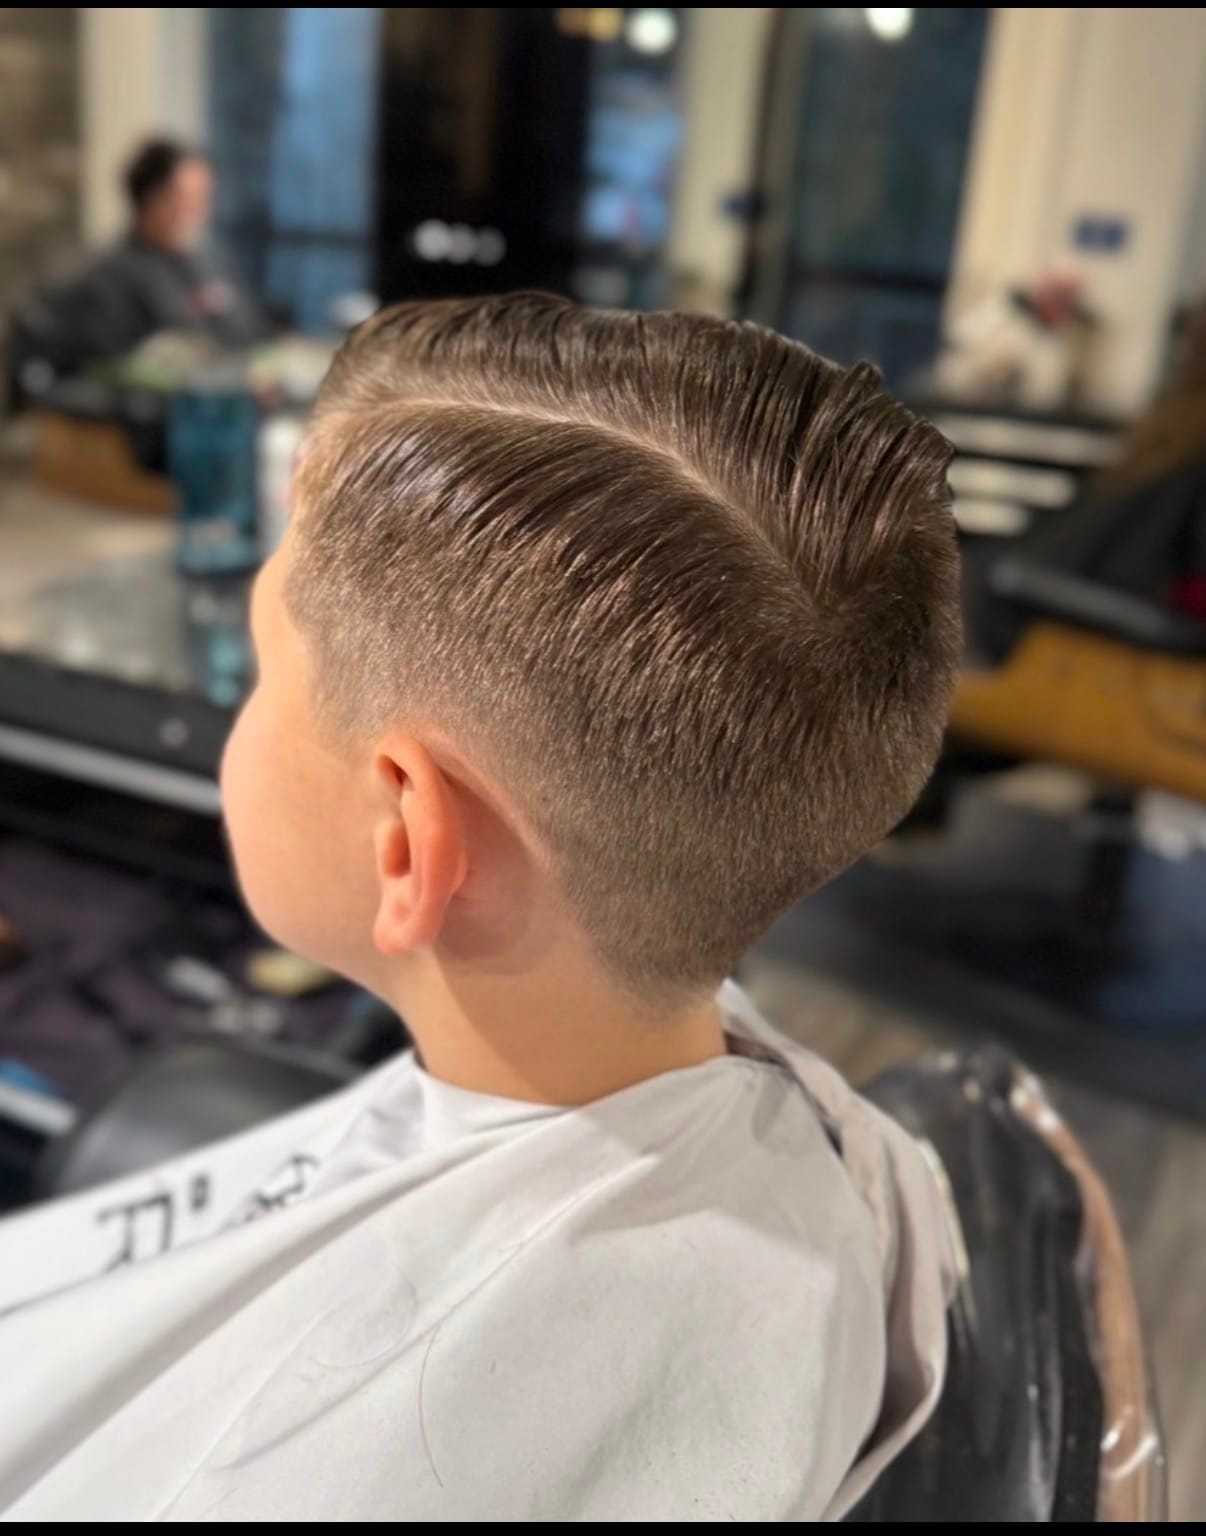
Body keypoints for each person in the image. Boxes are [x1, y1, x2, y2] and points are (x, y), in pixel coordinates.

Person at [0, 294, 962, 1521]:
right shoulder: (812, 1166)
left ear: (410, 836)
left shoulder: (318, 1465)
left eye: (258, 674)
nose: (239, 723)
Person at [9, 138, 271, 390]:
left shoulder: (212, 262)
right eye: (186, 197)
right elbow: (120, 366)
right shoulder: (107, 275)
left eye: (203, 197)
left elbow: (250, 335)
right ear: (151, 198)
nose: (198, 209)